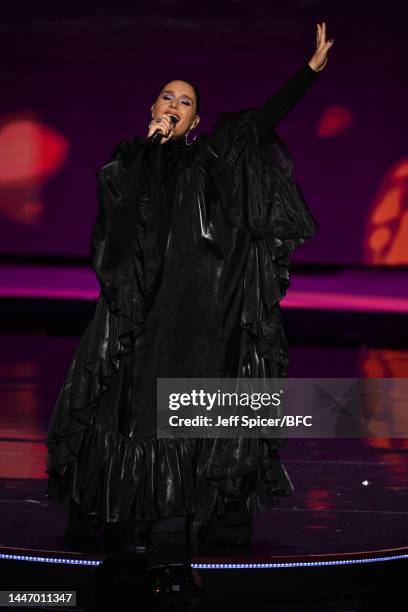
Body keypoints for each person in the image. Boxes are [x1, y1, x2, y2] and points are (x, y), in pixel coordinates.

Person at [45, 24, 334, 557]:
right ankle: (126, 510)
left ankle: (188, 511)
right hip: (141, 309)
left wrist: (307, 74)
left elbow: (256, 126)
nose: (174, 105)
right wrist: (147, 152)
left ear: (196, 120)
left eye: (186, 102)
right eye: (167, 97)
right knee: (129, 406)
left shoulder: (211, 160)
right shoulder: (126, 163)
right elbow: (116, 231)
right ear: (152, 108)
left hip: (200, 309)